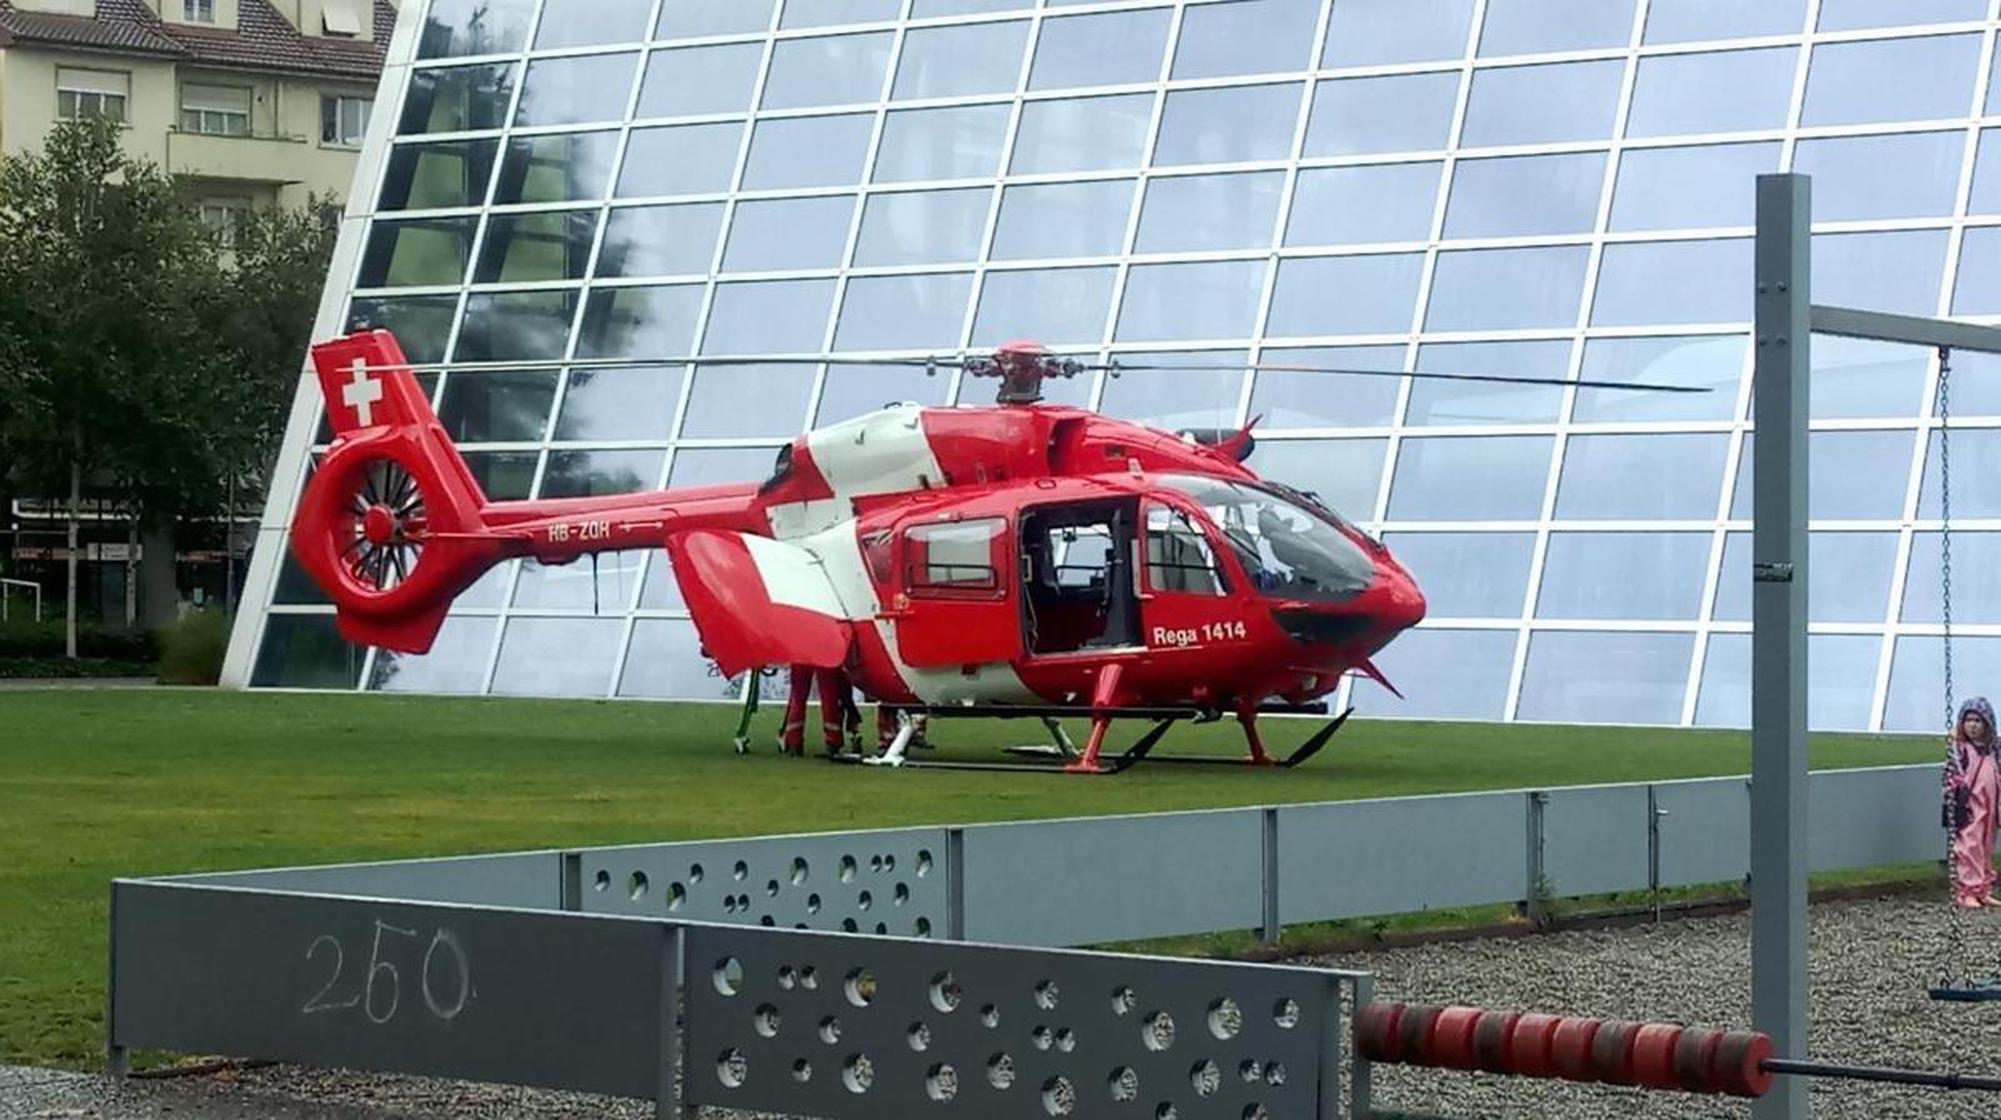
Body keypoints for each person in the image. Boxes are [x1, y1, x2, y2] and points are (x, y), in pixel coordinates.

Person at [1944, 696, 2001, 909]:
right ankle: (1966, 889)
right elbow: (1950, 775)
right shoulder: (1961, 750)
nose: (1973, 726)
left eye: (1978, 721)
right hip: (1969, 806)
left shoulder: (1994, 749)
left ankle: (1983, 888)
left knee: (1986, 845)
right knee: (1969, 846)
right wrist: (1951, 795)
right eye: (1969, 721)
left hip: (1990, 804)